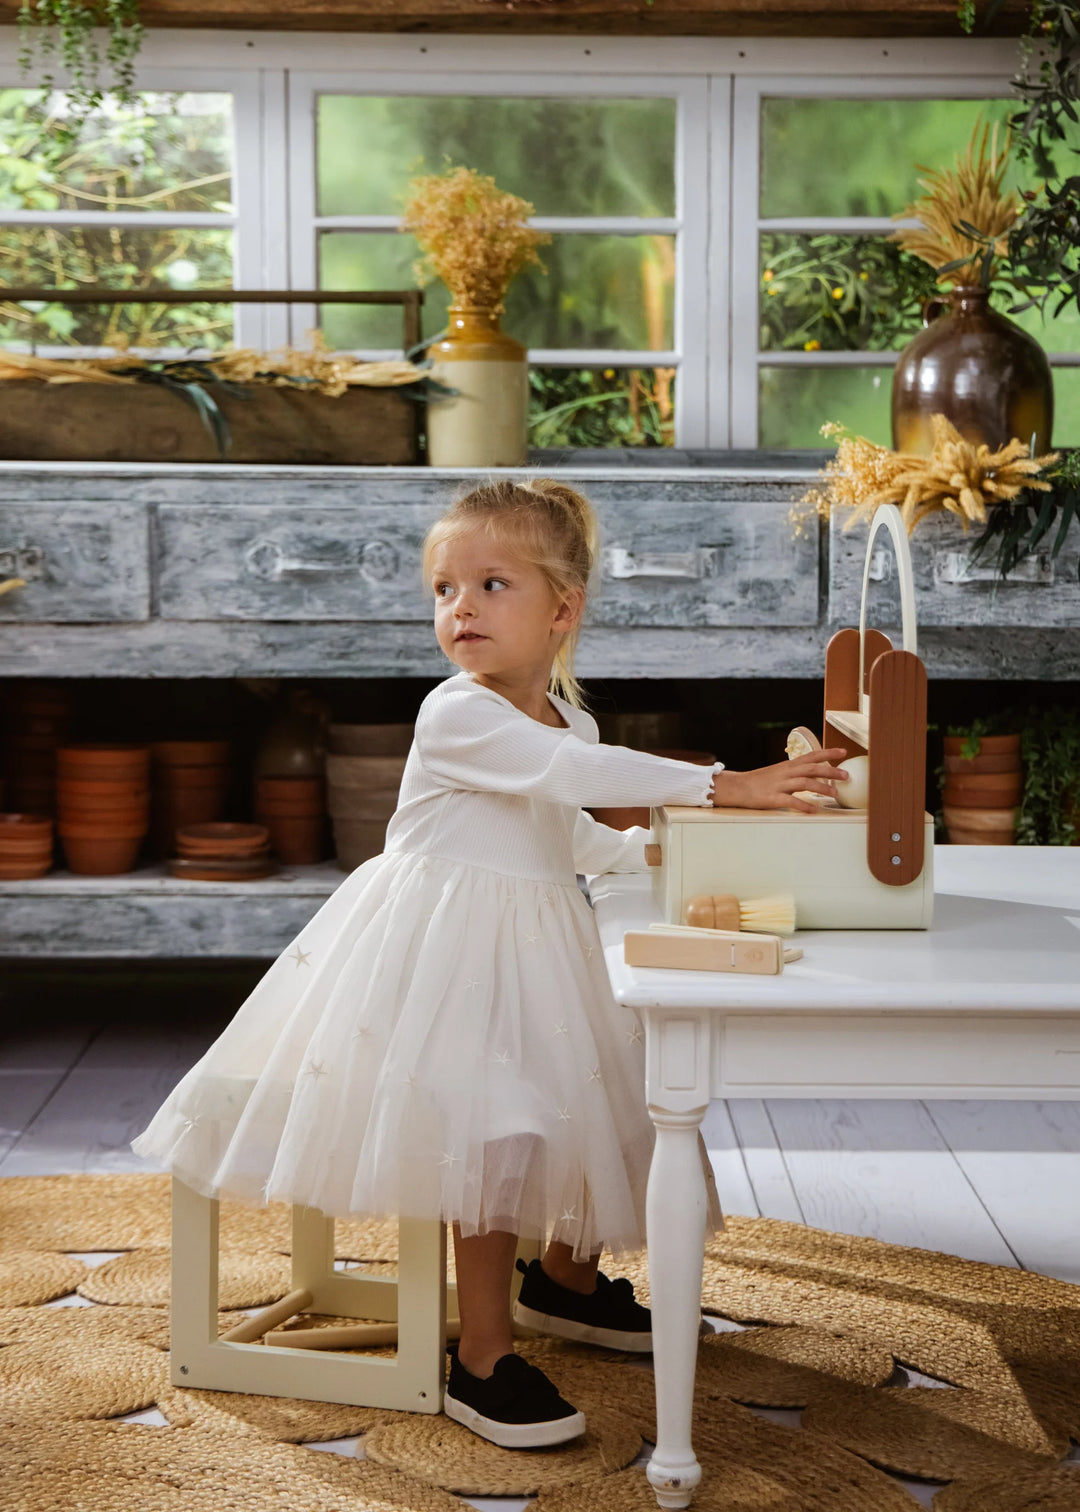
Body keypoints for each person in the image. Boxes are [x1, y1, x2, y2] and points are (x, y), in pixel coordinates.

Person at [131, 478, 847, 1451]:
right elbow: (567, 777)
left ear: (563, 610)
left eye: (492, 584)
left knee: (611, 1099)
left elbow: (570, 833)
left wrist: (659, 854)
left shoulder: (567, 724)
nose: (460, 607)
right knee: (496, 1132)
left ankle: (565, 1281)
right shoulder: (456, 715)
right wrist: (729, 787)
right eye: (444, 589)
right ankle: (480, 1358)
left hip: (532, 947)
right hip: (438, 960)